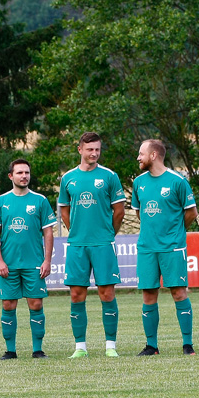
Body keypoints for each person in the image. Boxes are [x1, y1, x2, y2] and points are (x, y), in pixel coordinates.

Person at [58, 132, 126, 358]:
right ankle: (80, 348)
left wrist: (108, 233)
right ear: (80, 150)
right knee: (77, 294)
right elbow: (64, 210)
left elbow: (119, 211)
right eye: (90, 149)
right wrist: (74, 229)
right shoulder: (68, 178)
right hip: (77, 244)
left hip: (103, 243)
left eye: (97, 149)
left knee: (106, 293)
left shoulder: (109, 176)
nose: (94, 153)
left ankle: (110, 346)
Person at [131, 140, 199, 356]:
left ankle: (187, 344)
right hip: (147, 248)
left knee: (179, 293)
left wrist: (176, 233)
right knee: (148, 294)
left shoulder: (178, 181)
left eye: (141, 154)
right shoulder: (139, 183)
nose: (138, 158)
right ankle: (152, 346)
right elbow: (139, 213)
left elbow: (191, 213)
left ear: (153, 155)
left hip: (172, 247)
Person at [0, 159, 56, 359]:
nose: (24, 176)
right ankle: (10, 350)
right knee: (8, 305)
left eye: (26, 172)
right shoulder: (1, 201)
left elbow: (49, 233)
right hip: (8, 264)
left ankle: (38, 349)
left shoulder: (40, 200)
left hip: (34, 263)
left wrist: (47, 261)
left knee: (35, 304)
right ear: (11, 176)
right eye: (19, 173)